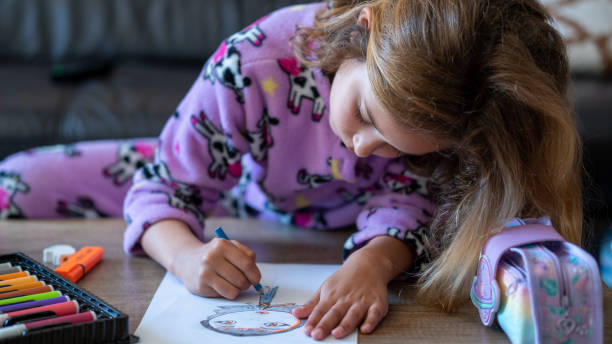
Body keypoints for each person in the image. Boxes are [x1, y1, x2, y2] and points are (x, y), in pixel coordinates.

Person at [0, 0, 583, 340]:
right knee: (15, 182)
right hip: (237, 186)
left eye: (402, 148)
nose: (360, 149)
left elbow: (412, 204)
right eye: (362, 114)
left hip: (347, 222)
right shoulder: (252, 63)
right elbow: (169, 182)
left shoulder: (461, 109)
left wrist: (374, 262)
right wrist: (182, 255)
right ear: (363, 27)